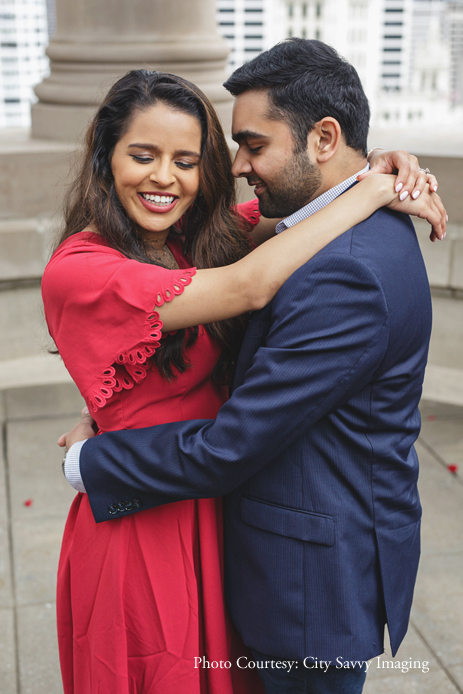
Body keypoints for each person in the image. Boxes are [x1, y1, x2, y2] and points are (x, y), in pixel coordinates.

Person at [58, 40, 447, 694]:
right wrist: (369, 181)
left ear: (323, 137)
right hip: (149, 519)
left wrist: (375, 172)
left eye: (189, 160)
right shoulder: (98, 264)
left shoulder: (220, 245)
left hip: (247, 537)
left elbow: (250, 286)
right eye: (142, 155)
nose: (235, 168)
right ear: (105, 158)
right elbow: (243, 285)